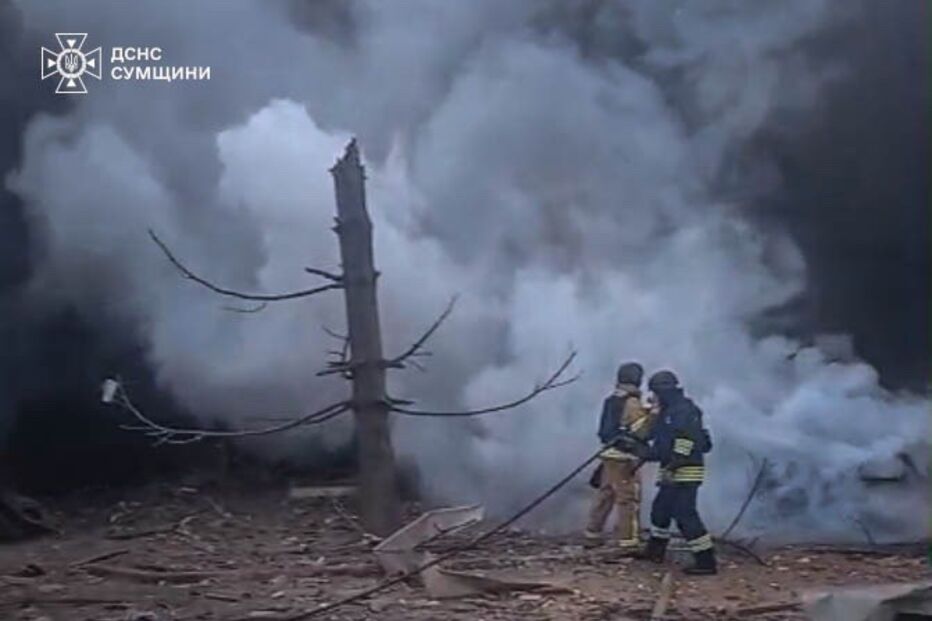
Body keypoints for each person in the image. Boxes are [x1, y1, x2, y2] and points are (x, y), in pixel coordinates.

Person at [640, 369, 717, 575]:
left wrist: (675, 462)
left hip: (686, 470)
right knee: (660, 510)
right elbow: (660, 441)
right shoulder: (668, 411)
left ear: (663, 391)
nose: (653, 397)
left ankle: (706, 561)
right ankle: (655, 551)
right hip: (671, 468)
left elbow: (686, 439)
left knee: (685, 514)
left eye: (655, 392)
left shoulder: (684, 410)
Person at [584, 362, 656, 548]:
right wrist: (654, 414)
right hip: (624, 457)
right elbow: (641, 431)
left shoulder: (612, 398)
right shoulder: (632, 402)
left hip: (609, 455)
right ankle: (629, 541)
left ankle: (592, 533)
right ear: (638, 379)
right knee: (628, 499)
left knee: (606, 494)